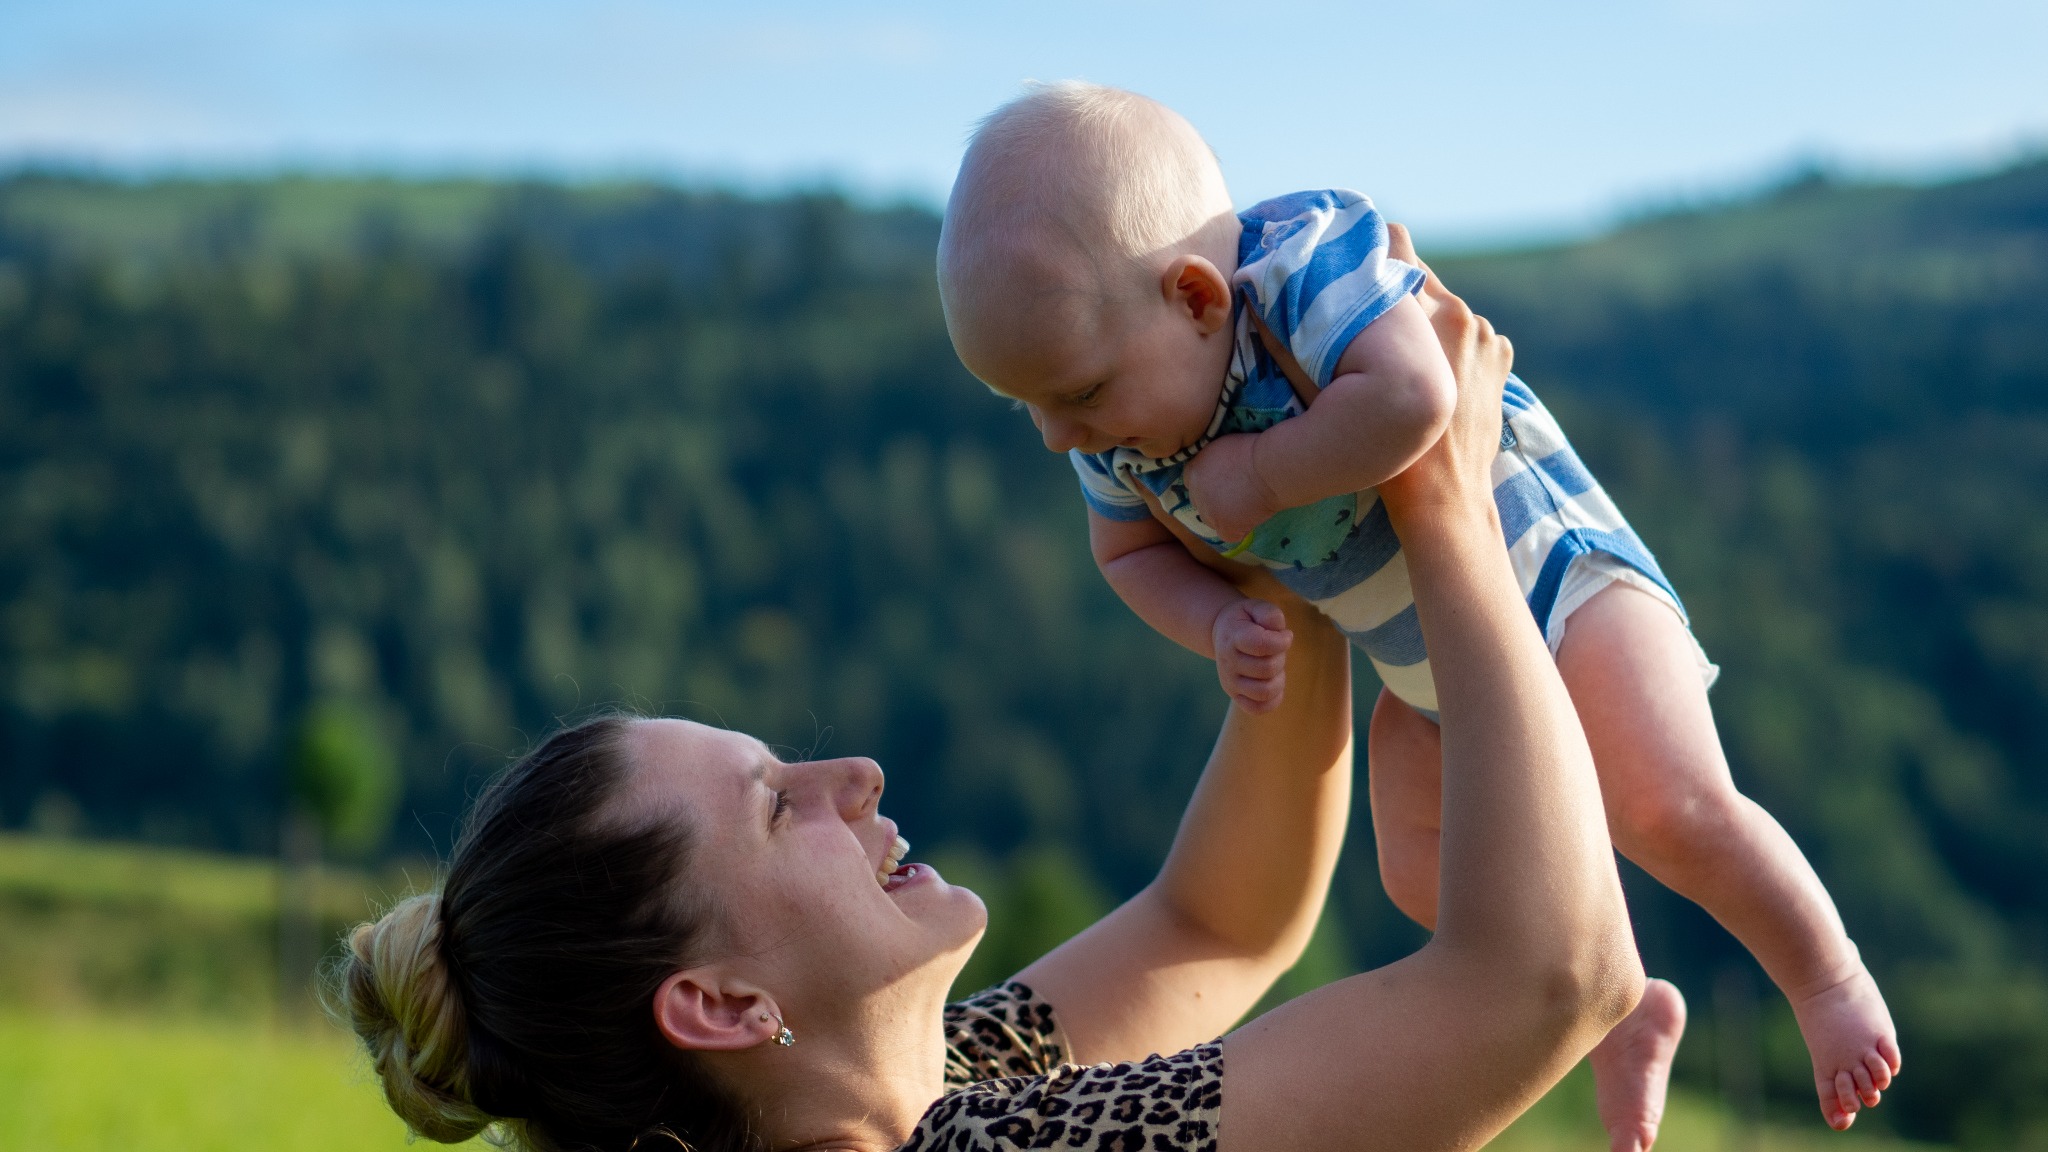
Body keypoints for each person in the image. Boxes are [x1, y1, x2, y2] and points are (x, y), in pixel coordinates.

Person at [337, 248, 1645, 1152]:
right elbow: (1548, 981)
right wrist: (1446, 505)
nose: (849, 777)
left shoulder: (937, 1084)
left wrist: (1260, 514)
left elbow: (1221, 923)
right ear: (728, 1008)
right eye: (777, 810)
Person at [934, 81, 1899, 1144]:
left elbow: (1421, 399)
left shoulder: (1302, 268)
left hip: (1551, 577)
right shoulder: (1118, 420)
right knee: (1424, 871)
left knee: (1667, 805)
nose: (1057, 438)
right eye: (1021, 404)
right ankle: (1613, 1006)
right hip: (1422, 666)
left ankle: (1825, 978)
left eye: (1071, 395)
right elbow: (1122, 555)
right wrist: (1211, 621)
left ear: (1197, 299)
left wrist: (1262, 474)